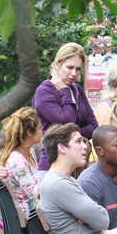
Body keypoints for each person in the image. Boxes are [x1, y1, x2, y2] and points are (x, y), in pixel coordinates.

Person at [32, 43, 98, 181]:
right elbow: (67, 121)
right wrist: (65, 91)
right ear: (57, 64)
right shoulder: (44, 92)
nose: (74, 73)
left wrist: (73, 134)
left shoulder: (77, 90)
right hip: (53, 167)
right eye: (69, 67)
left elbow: (93, 126)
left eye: (78, 69)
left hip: (80, 166)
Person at [0, 107, 42, 217]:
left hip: (38, 209)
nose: (42, 131)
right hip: (32, 218)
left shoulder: (30, 151)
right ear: (29, 132)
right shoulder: (16, 161)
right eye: (40, 128)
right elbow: (33, 194)